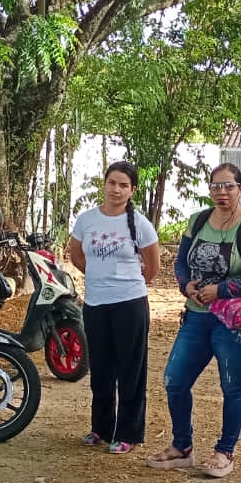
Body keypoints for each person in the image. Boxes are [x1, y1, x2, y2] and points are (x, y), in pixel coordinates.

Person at [149, 162, 241, 478]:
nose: (222, 192)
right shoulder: (199, 220)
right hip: (197, 316)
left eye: (229, 186)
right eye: (216, 186)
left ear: (240, 189)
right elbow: (181, 262)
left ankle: (225, 451)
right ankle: (182, 446)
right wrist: (184, 284)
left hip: (235, 323)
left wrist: (222, 289)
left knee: (232, 386)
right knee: (174, 380)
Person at [69, 160, 161, 454]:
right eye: (112, 183)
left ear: (132, 190)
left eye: (124, 185)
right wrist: (100, 278)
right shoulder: (87, 220)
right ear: (104, 184)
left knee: (130, 369)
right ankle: (101, 428)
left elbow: (152, 266)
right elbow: (77, 256)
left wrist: (126, 285)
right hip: (96, 304)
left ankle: (129, 433)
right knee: (101, 367)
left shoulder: (141, 224)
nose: (117, 190)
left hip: (129, 304)